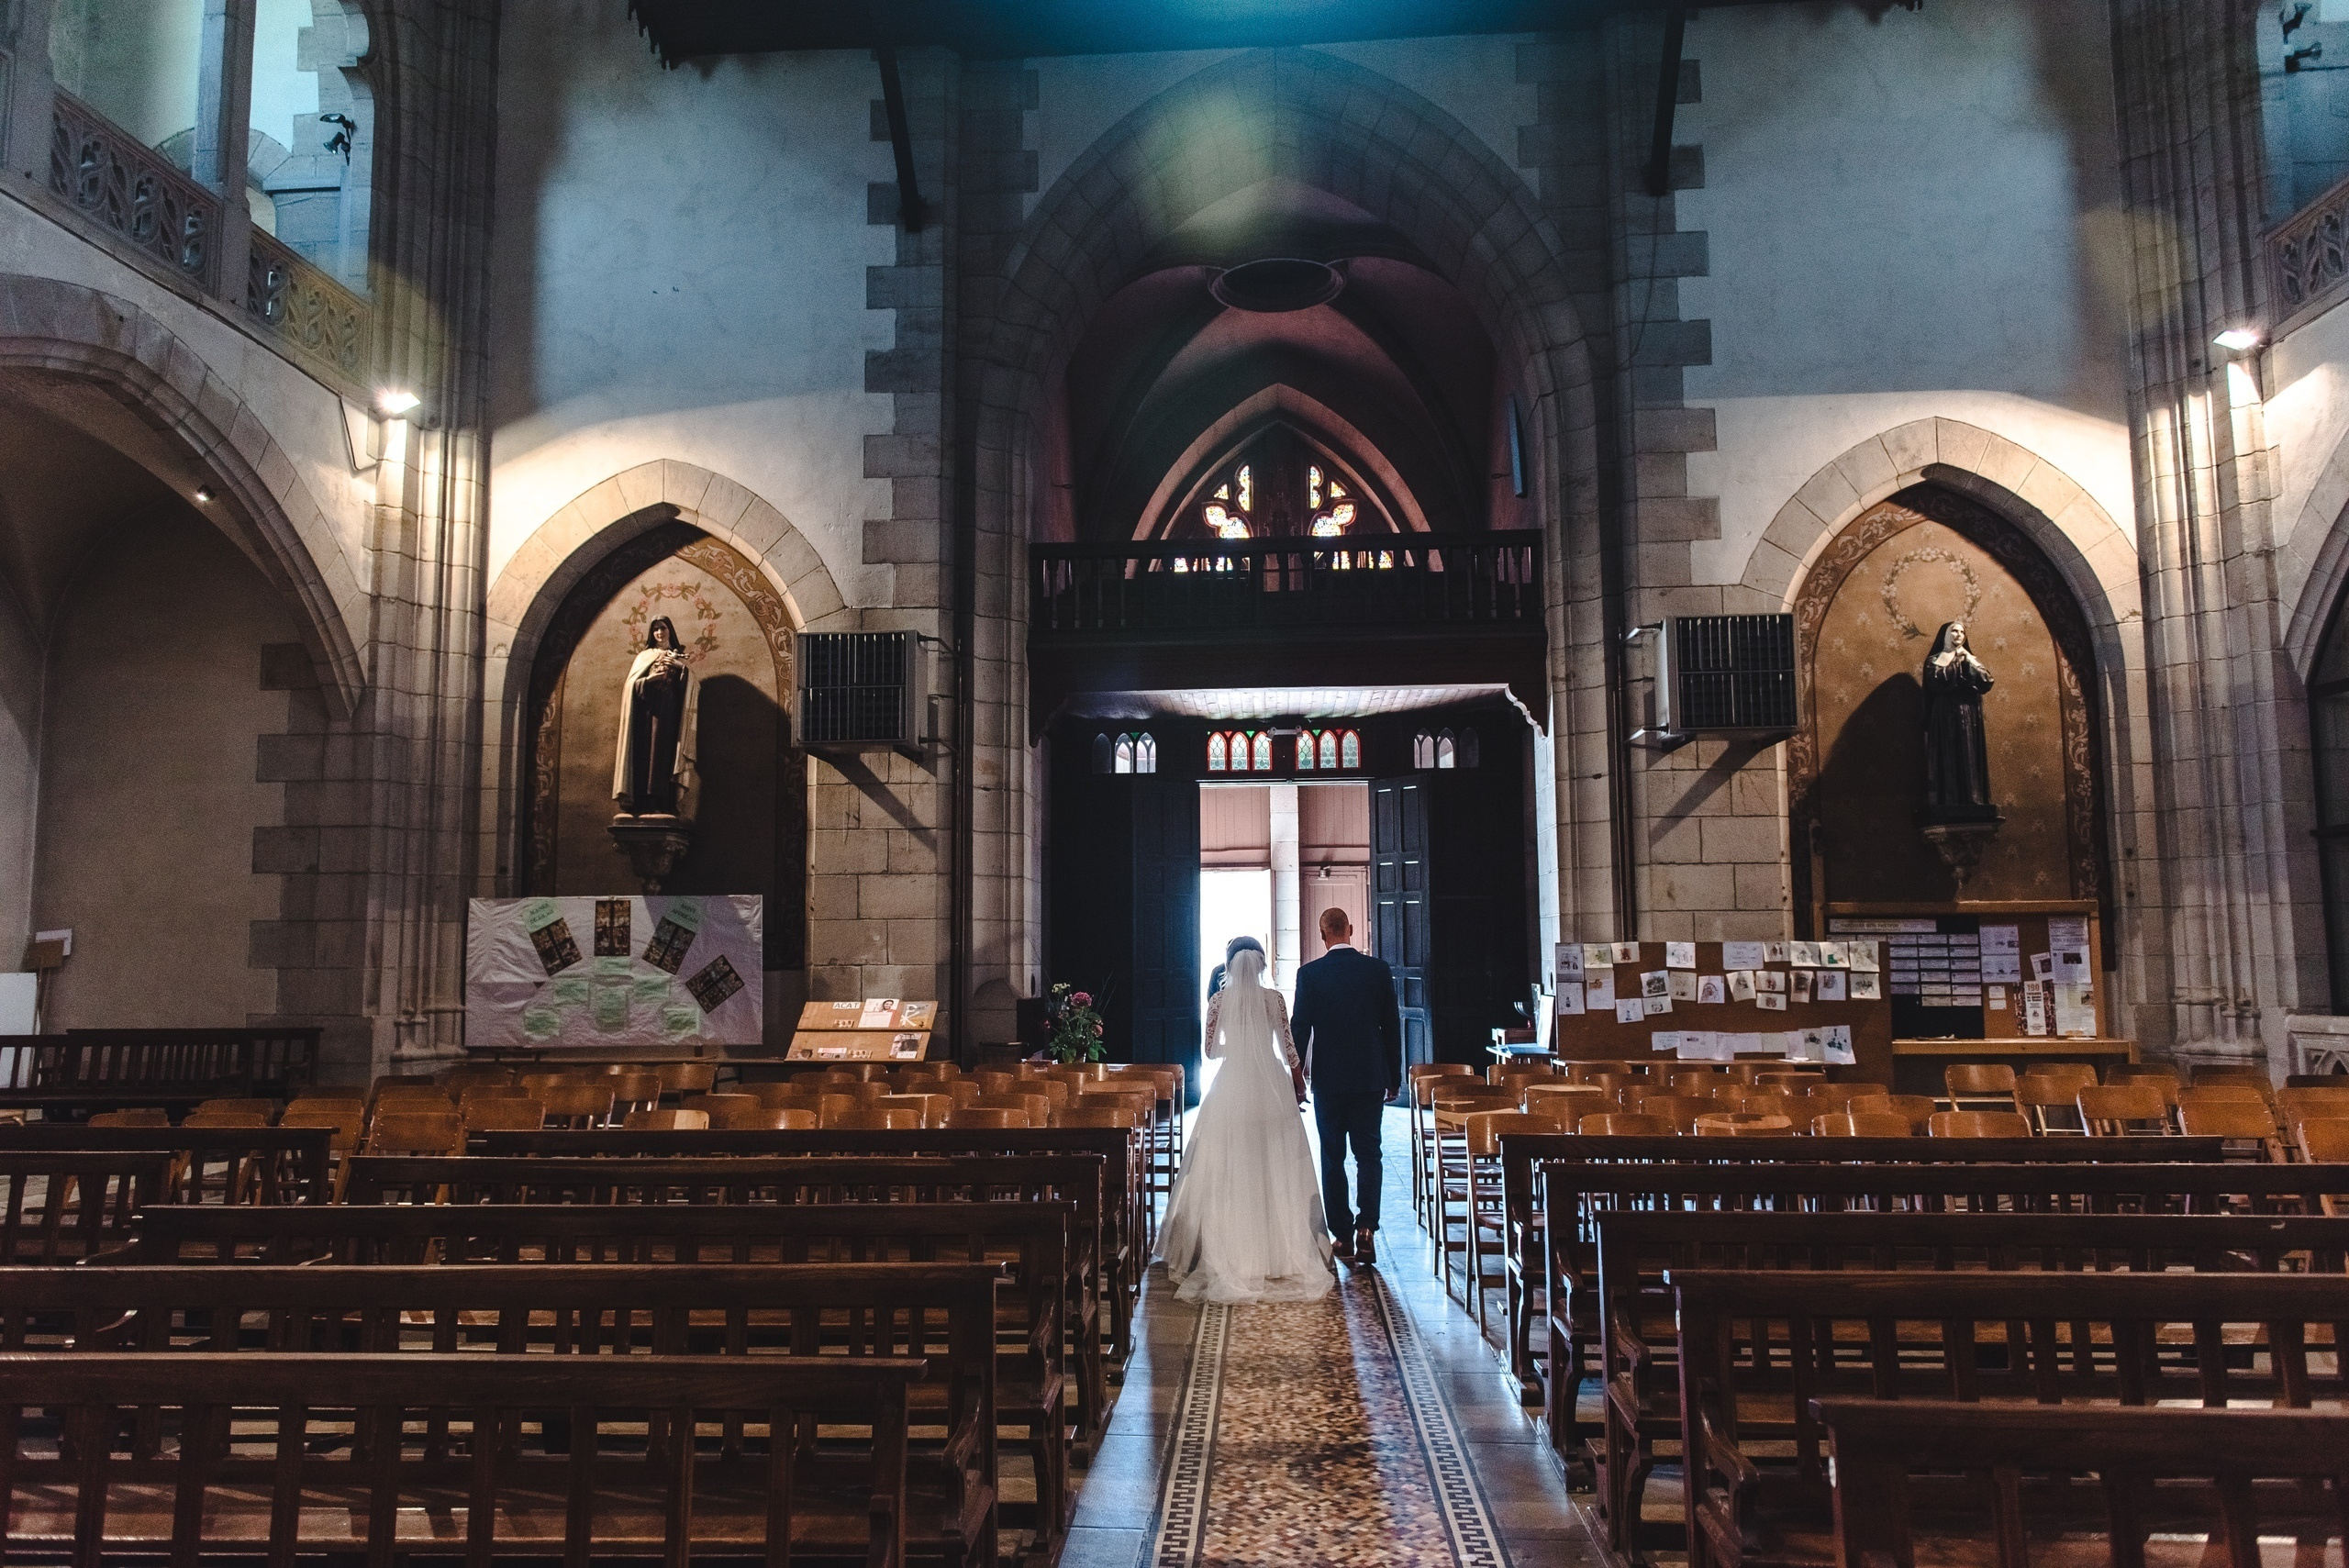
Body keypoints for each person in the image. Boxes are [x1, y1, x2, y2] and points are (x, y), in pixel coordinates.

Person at [1156, 943, 1332, 1304]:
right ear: (1262, 965)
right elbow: (1289, 1048)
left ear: (1230, 966)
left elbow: (1210, 1051)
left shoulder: (1219, 1001)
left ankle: (1230, 1248)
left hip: (1232, 1082)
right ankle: (1279, 1252)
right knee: (1274, 1160)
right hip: (1269, 1081)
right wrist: (1298, 1081)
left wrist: (1236, 1049)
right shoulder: (1274, 1000)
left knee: (1230, 1162)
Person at [1289, 907, 1403, 1263]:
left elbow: (1299, 1029)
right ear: (1350, 930)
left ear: (1323, 935)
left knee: (1333, 1155)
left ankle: (1342, 1235)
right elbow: (1391, 1026)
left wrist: (1298, 1077)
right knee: (1369, 1154)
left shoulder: (1309, 975)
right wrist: (1393, 1076)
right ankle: (1367, 1227)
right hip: (1370, 1076)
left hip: (1330, 1079)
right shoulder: (1377, 970)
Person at [614, 617, 697, 817]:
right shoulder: (644, 656)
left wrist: (679, 668)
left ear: (670, 630)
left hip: (670, 713)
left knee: (665, 755)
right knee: (645, 755)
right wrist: (650, 680)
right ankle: (643, 801)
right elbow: (631, 686)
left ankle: (664, 800)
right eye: (655, 629)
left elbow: (692, 687)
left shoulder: (678, 657)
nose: (659, 632)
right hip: (646, 714)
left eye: (663, 628)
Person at [1920, 619, 1996, 811]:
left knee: (1967, 751)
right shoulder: (1934, 660)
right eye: (1954, 631)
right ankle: (1947, 800)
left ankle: (1972, 798)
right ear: (1946, 635)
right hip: (1943, 714)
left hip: (1966, 713)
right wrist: (1956, 660)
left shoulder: (1970, 658)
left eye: (1962, 632)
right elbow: (1936, 682)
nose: (1959, 635)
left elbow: (1986, 681)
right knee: (1946, 754)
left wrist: (1968, 660)